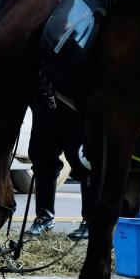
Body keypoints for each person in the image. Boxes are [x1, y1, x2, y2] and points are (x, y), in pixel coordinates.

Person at [27, 91, 89, 240]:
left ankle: (90, 220)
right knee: (42, 160)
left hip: (73, 105)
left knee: (84, 162)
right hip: (43, 103)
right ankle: (45, 217)